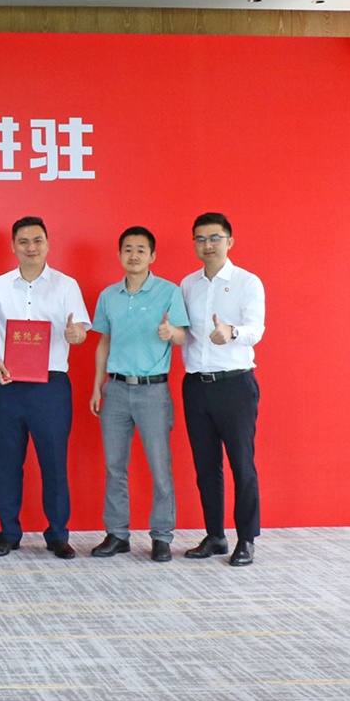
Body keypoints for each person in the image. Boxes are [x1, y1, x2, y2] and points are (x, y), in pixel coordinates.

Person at [0, 216, 90, 560]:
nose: (31, 247)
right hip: (8, 385)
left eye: (38, 240)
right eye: (23, 241)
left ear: (48, 244)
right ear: (13, 246)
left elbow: (80, 331)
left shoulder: (66, 285)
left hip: (50, 388)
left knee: (54, 463)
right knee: (8, 463)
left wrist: (76, 335)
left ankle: (58, 535)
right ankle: (8, 534)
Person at [88, 227, 189, 562]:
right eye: (128, 249)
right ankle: (117, 534)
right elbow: (104, 342)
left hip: (153, 391)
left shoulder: (169, 291)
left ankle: (161, 537)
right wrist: (97, 386)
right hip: (115, 389)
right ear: (119, 255)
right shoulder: (109, 296)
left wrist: (170, 332)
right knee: (114, 466)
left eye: (141, 250)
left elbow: (182, 336)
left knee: (160, 468)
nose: (134, 255)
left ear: (152, 256)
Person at [180, 212, 265, 567]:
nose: (208, 245)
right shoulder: (187, 284)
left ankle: (246, 539)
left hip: (234, 384)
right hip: (196, 385)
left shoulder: (247, 282)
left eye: (215, 238)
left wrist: (231, 331)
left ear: (229, 241)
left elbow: (256, 329)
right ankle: (215, 535)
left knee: (242, 464)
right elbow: (185, 332)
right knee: (206, 466)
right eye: (200, 239)